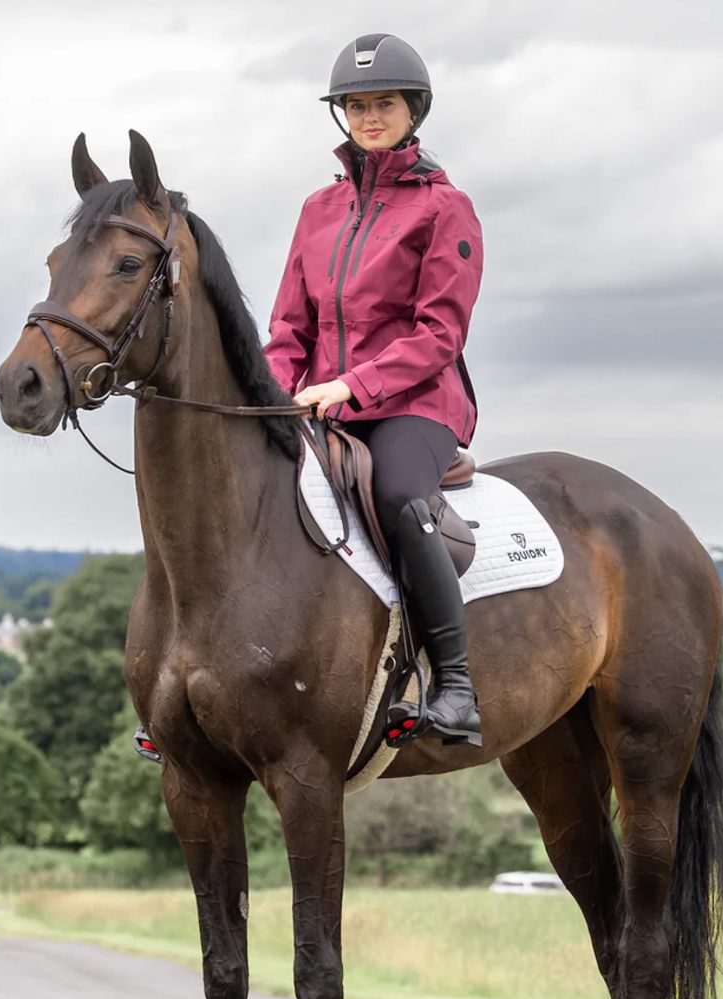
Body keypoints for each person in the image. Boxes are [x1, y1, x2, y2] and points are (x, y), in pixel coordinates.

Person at [264, 31, 484, 748]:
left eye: (382, 103)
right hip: (322, 404)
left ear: (413, 108)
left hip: (416, 406)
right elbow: (289, 327)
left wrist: (350, 387)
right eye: (355, 105)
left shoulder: (445, 209)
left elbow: (439, 336)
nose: (368, 116)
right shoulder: (316, 212)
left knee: (395, 496)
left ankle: (454, 683)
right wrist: (267, 400)